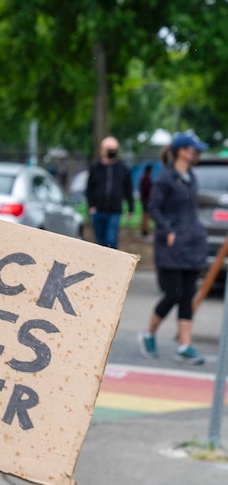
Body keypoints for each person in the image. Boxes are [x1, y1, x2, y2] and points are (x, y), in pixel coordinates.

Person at [138, 133, 209, 365]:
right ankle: (148, 334)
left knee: (187, 296)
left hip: (192, 244)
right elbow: (154, 207)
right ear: (180, 151)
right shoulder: (165, 178)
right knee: (174, 294)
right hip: (171, 246)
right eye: (192, 149)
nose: (195, 153)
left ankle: (184, 346)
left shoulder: (191, 177)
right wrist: (168, 230)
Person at [86, 136, 134, 249]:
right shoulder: (96, 168)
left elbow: (128, 189)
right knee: (100, 241)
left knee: (111, 240)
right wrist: (91, 205)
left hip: (114, 210)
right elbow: (89, 188)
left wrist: (130, 207)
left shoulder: (122, 169)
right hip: (98, 209)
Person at [139, 164, 153, 238]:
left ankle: (144, 231)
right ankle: (144, 231)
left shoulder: (143, 178)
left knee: (145, 215)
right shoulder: (146, 178)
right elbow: (148, 190)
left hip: (144, 199)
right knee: (146, 216)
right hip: (146, 199)